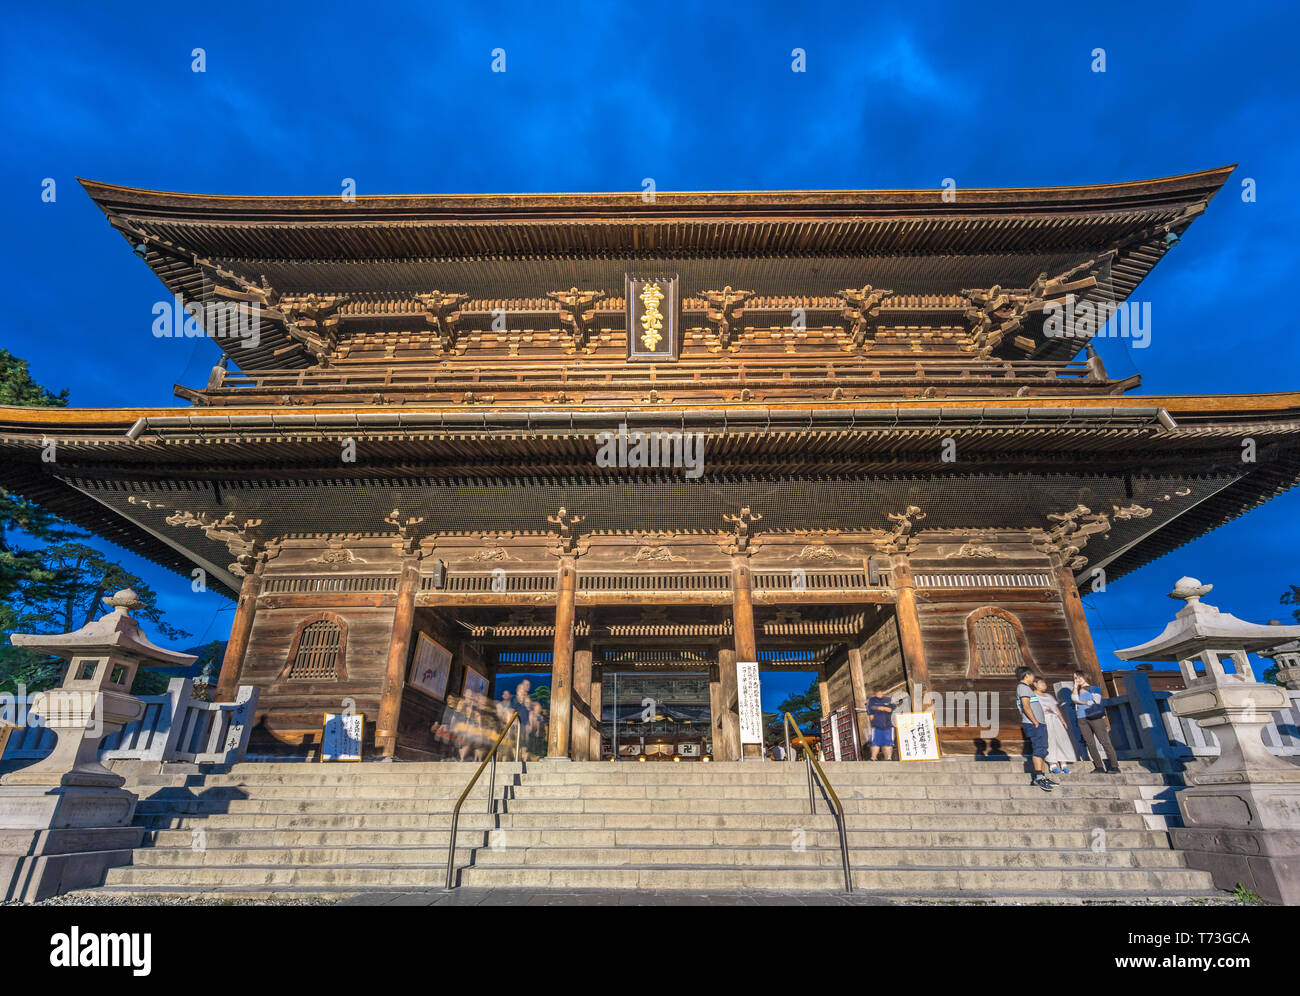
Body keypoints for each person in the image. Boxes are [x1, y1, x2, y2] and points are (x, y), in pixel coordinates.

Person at [1015, 666, 1055, 791]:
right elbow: (1026, 706)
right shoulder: (1023, 688)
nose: (1033, 678)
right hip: (1034, 724)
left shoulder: (1025, 688)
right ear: (1027, 675)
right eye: (1032, 675)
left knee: (1042, 749)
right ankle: (1038, 777)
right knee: (1039, 748)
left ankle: (1042, 776)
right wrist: (1035, 721)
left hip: (1037, 723)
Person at [1071, 670, 1119, 774]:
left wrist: (1081, 702)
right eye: (1075, 678)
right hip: (1081, 718)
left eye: (1079, 677)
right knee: (1090, 744)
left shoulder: (1094, 688)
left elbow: (1095, 701)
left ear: (1085, 676)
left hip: (1095, 717)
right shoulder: (1076, 690)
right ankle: (1099, 767)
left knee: (1104, 742)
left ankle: (1115, 766)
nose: (1077, 679)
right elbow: (1074, 699)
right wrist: (1075, 687)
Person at [1034, 676, 1076, 775]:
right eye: (1041, 683)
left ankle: (1064, 764)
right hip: (1044, 720)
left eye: (1044, 683)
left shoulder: (1049, 696)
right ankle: (1053, 765)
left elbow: (1056, 709)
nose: (1044, 685)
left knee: (1061, 740)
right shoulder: (1033, 696)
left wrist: (1062, 720)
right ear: (1035, 684)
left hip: (1055, 720)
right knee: (1050, 741)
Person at [865, 688, 895, 760]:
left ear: (882, 692)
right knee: (874, 743)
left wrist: (883, 708)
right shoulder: (871, 701)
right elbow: (870, 714)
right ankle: (873, 757)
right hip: (876, 726)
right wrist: (874, 721)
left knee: (888, 743)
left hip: (888, 725)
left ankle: (888, 758)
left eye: (880, 692)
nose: (879, 694)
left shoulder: (889, 700)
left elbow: (892, 709)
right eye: (877, 693)